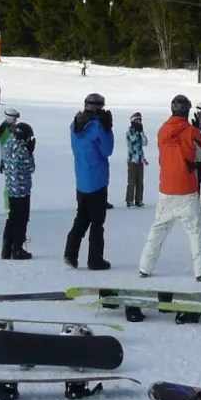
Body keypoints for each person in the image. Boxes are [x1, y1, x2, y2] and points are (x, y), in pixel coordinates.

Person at [139, 95, 201, 281]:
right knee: (195, 231)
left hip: (166, 187)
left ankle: (145, 267)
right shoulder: (191, 131)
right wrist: (195, 131)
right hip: (187, 189)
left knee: (158, 229)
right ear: (187, 111)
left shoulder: (163, 130)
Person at [65, 93, 113, 270]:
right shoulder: (97, 127)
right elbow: (108, 150)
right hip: (97, 179)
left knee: (81, 217)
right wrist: (108, 130)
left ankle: (70, 254)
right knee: (97, 221)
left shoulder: (75, 124)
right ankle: (95, 259)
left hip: (82, 178)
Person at [0, 120, 35, 260]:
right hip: (22, 190)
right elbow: (31, 167)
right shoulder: (23, 150)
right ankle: (17, 249)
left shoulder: (8, 144)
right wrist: (30, 152)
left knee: (12, 218)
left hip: (11, 188)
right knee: (22, 219)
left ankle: (6, 249)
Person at [124, 112, 148, 208]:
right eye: (137, 120)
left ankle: (139, 200)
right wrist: (138, 132)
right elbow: (133, 141)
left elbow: (145, 142)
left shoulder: (140, 131)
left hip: (140, 160)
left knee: (140, 181)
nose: (139, 122)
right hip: (132, 160)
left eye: (140, 120)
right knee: (131, 181)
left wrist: (142, 133)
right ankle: (129, 200)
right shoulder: (130, 132)